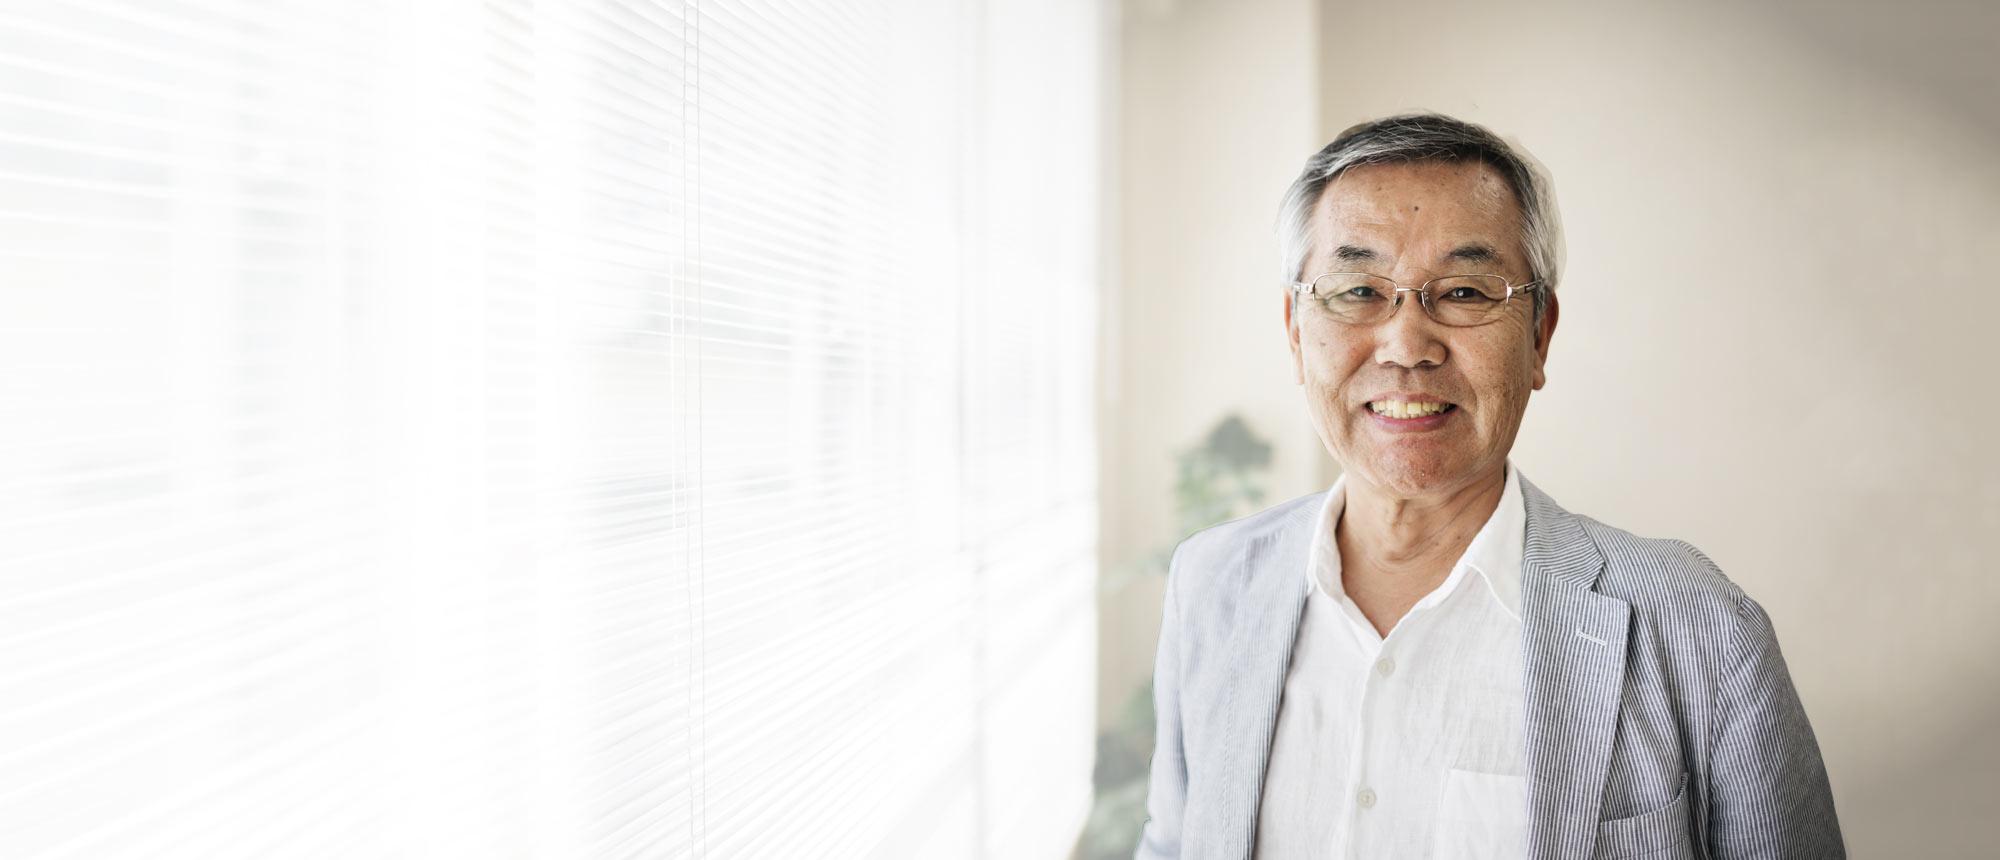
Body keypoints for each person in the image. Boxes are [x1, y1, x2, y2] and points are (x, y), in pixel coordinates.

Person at [1132, 113, 1842, 859]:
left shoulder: (1702, 628)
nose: (1407, 345)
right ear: (1294, 331)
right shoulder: (1211, 586)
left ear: (1539, 334)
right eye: (1357, 291)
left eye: (1467, 292)